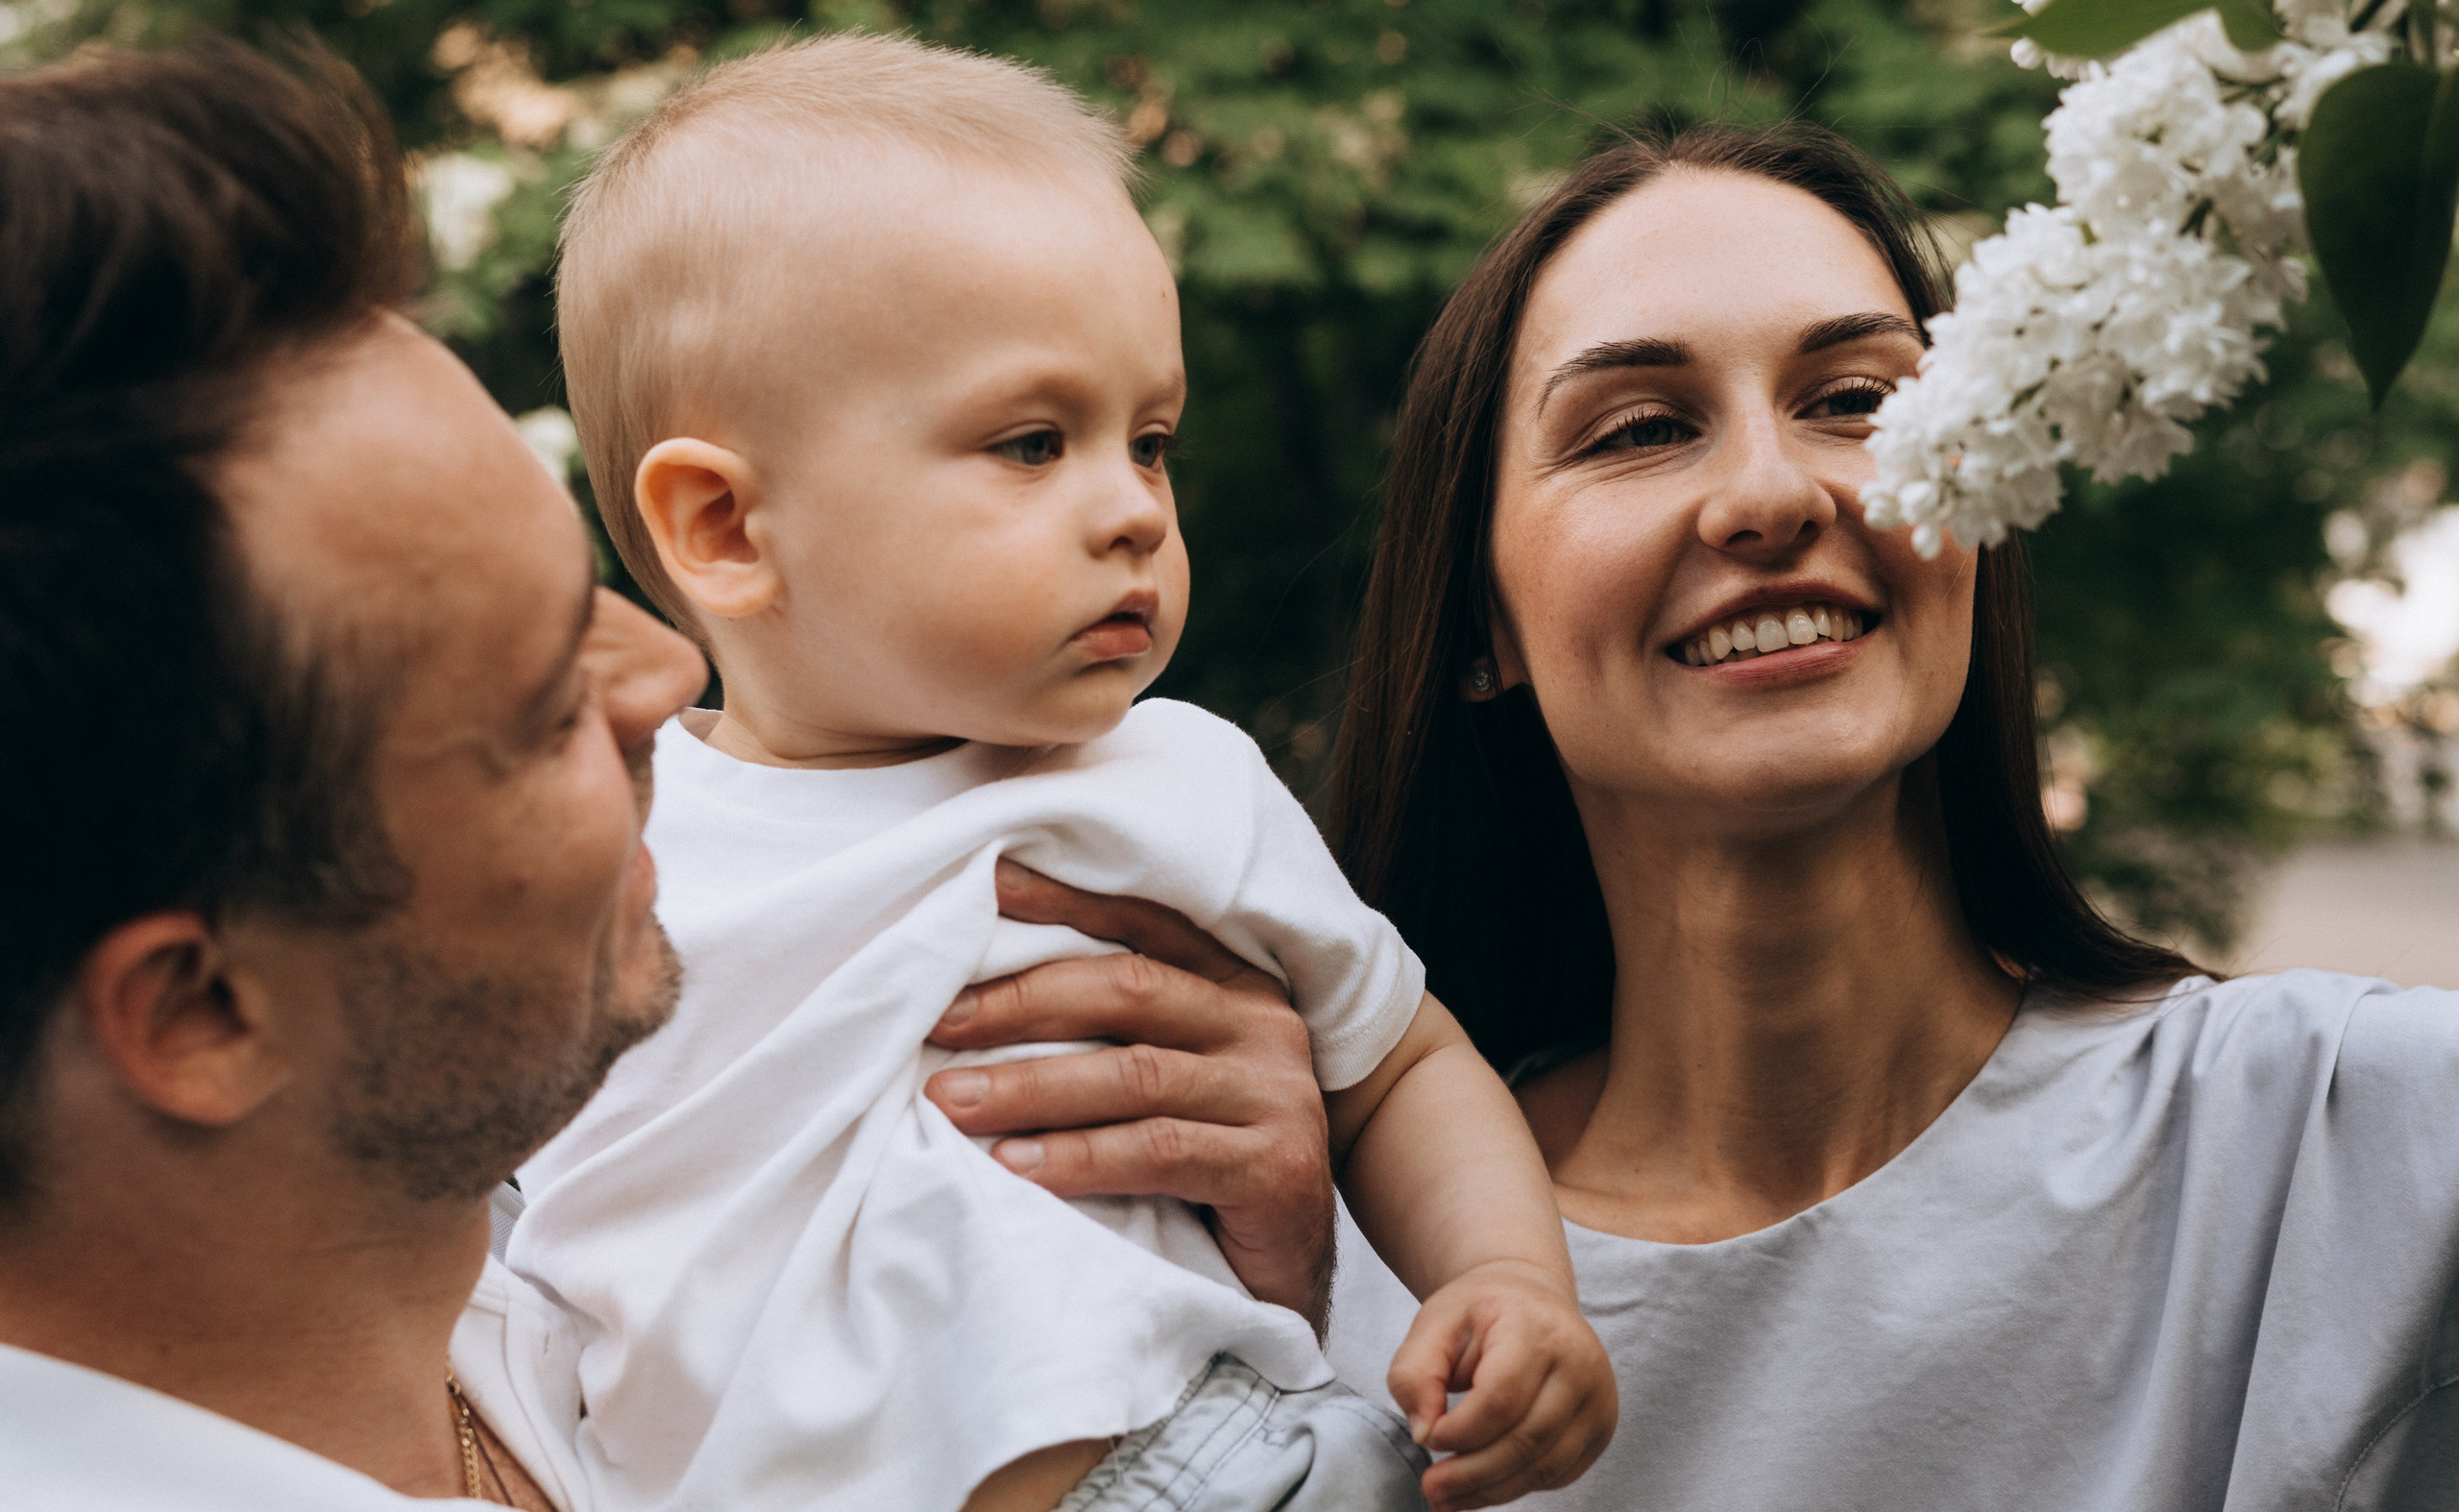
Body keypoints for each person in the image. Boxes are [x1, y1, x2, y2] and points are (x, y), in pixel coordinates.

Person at [0, 35, 1340, 1511]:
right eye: (538, 700)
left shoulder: (576, 1308)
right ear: (203, 1009)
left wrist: (1271, 1261)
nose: (672, 677)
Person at [512, 34, 1614, 1512]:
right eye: (1033, 443)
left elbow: (1400, 1058)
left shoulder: (1162, 778)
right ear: (724, 525)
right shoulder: (600, 849)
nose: (1133, 512)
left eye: (1147, 441)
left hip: (1198, 1465)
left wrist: (1507, 1277)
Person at [1302, 122, 2459, 1506]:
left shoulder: (2355, 1151)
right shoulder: (1311, 1285)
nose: (1773, 493)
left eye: (1854, 399)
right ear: (1480, 621)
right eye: (1644, 428)